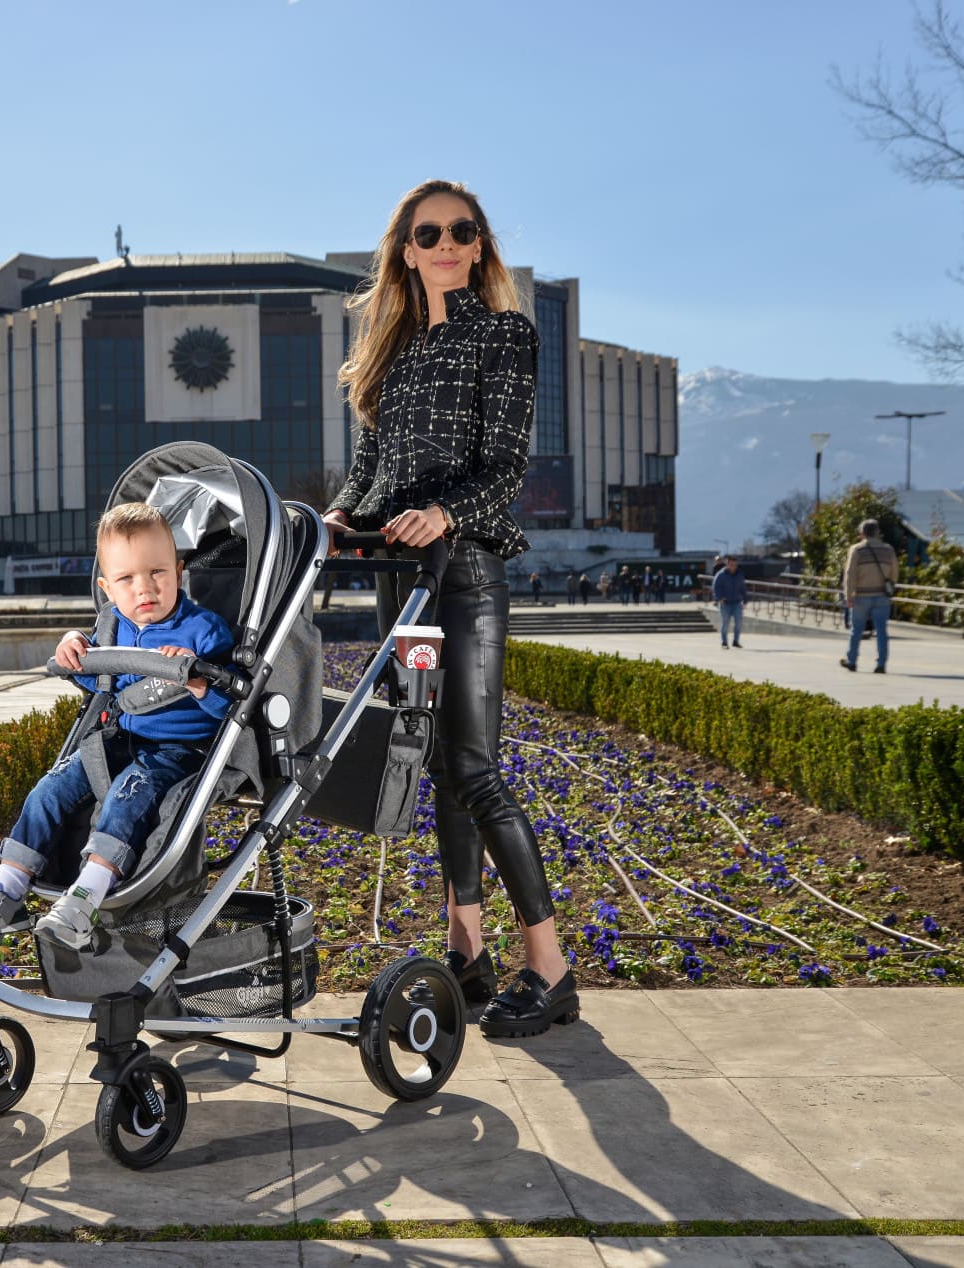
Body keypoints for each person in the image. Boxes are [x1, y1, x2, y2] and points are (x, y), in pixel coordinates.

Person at [322, 178, 576, 1038]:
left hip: (463, 573)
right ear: (405, 250)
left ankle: (551, 968)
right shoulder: (390, 354)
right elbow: (369, 470)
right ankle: (466, 952)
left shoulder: (504, 334)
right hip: (400, 581)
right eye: (428, 233)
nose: (445, 244)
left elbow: (506, 465)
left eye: (462, 231)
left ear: (479, 247)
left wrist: (444, 512)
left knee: (474, 767)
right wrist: (336, 518)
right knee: (434, 766)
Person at [0, 502, 233, 950]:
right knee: (50, 788)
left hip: (180, 749)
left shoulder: (203, 630)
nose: (145, 588)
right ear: (107, 588)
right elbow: (98, 678)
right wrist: (74, 647)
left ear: (179, 572)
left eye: (157, 572)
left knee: (128, 794)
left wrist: (197, 679)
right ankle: (8, 887)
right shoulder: (113, 626)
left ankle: (86, 896)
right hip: (121, 737)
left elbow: (230, 707)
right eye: (126, 579)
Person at [840, 519, 898, 673]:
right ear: (877, 532)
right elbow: (894, 573)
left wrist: (848, 596)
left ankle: (852, 661)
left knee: (856, 630)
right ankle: (881, 663)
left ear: (862, 533)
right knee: (881, 630)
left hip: (861, 595)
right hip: (882, 596)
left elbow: (850, 574)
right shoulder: (888, 550)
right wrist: (889, 586)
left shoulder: (857, 550)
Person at [711, 555, 747, 647]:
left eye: (735, 565)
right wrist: (719, 598)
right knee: (725, 623)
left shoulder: (739, 574)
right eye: (731, 565)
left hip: (737, 602)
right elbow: (715, 587)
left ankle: (735, 641)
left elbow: (743, 587)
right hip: (725, 603)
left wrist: (745, 600)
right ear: (727, 565)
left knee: (739, 622)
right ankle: (724, 642)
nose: (733, 567)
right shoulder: (721, 575)